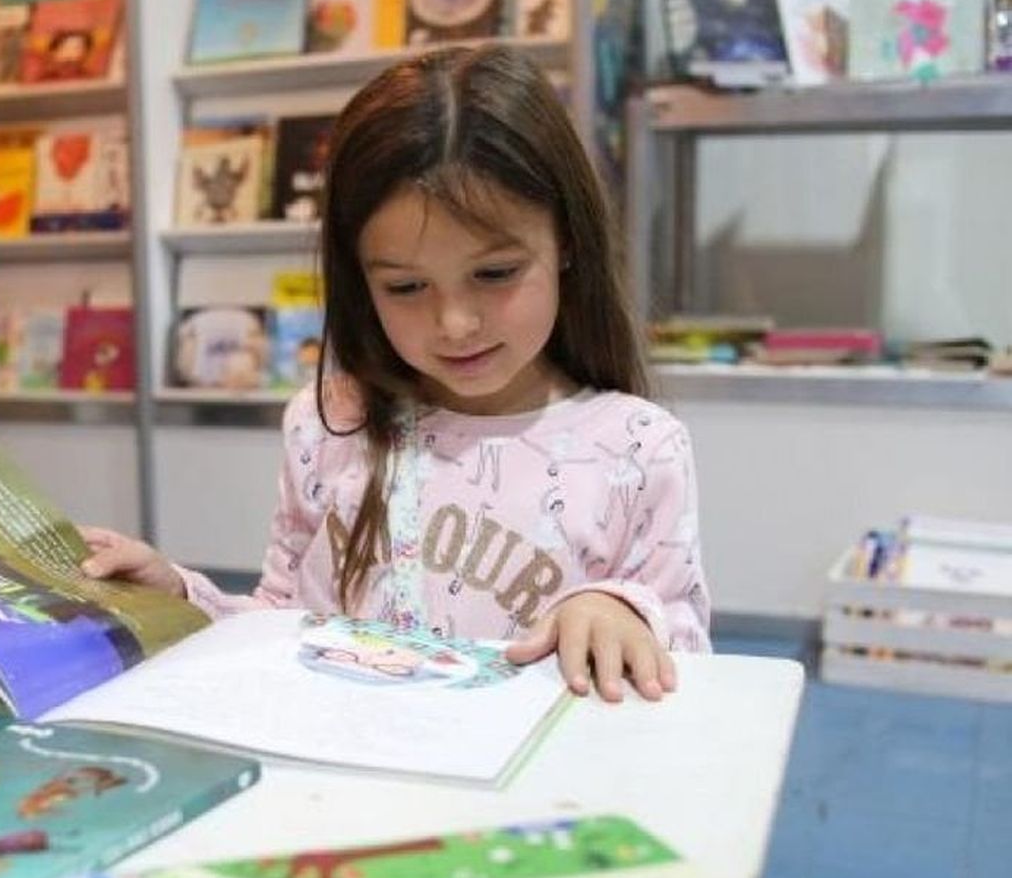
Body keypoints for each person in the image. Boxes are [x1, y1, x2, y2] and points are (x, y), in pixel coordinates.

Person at [80, 44, 711, 702]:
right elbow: (284, 623)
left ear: (568, 242)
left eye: (495, 274)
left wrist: (622, 613)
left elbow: (686, 659)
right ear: (361, 280)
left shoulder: (639, 446)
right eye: (407, 286)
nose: (455, 322)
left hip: (526, 795)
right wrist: (180, 594)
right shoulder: (327, 422)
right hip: (349, 780)